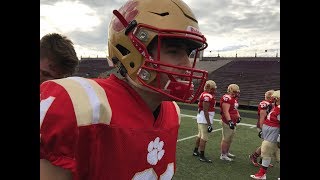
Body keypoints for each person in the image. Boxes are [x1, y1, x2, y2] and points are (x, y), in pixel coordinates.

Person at [40, 0, 208, 179]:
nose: (187, 64)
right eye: (174, 51)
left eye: (188, 54)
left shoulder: (172, 112)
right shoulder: (78, 104)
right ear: (131, 51)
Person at [250, 90, 280, 180]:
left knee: (265, 150)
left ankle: (262, 174)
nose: (273, 99)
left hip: (274, 133)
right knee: (276, 154)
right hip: (271, 132)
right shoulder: (277, 106)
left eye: (275, 98)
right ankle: (262, 174)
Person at [192, 80, 217, 163]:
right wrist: (209, 124)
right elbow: (205, 110)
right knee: (204, 137)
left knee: (200, 135)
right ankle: (202, 156)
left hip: (202, 117)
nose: (215, 90)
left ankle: (196, 151)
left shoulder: (205, 94)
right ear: (209, 88)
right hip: (204, 119)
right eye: (213, 89)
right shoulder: (207, 96)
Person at [249, 90, 274, 167]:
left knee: (269, 144)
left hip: (270, 126)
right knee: (267, 144)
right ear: (270, 97)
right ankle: (254, 156)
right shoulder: (265, 104)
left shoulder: (271, 104)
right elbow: (262, 118)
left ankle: (263, 160)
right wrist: (262, 130)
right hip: (264, 126)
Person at [219, 83, 241, 161]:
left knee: (230, 139)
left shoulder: (233, 99)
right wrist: (230, 121)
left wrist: (238, 116)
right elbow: (226, 111)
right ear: (230, 91)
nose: (236, 93)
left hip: (233, 121)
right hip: (227, 121)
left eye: (237, 92)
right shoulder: (227, 98)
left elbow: (235, 109)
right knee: (226, 138)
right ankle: (223, 155)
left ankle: (226, 152)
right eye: (234, 91)